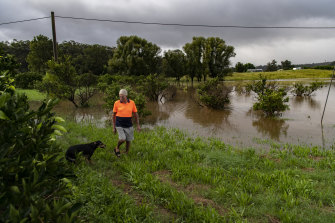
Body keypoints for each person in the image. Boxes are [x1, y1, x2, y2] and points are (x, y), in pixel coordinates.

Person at [112, 89, 141, 157]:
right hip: (119, 124)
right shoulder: (116, 103)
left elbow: (135, 114)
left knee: (128, 140)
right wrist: (114, 127)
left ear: (126, 96)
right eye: (120, 96)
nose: (121, 98)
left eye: (122, 96)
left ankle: (126, 152)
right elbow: (113, 115)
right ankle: (117, 147)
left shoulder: (132, 103)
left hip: (128, 124)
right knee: (122, 139)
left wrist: (138, 125)